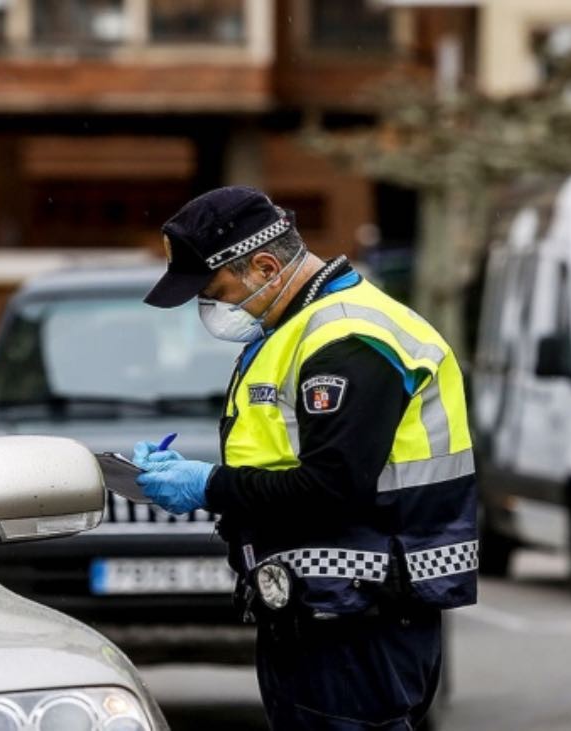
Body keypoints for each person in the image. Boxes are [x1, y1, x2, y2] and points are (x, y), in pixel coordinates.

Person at [133, 186, 477, 729]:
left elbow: (332, 486)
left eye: (214, 289)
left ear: (265, 266)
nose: (211, 307)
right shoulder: (295, 328)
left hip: (358, 612)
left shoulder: (349, 338)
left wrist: (209, 486)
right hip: (320, 604)